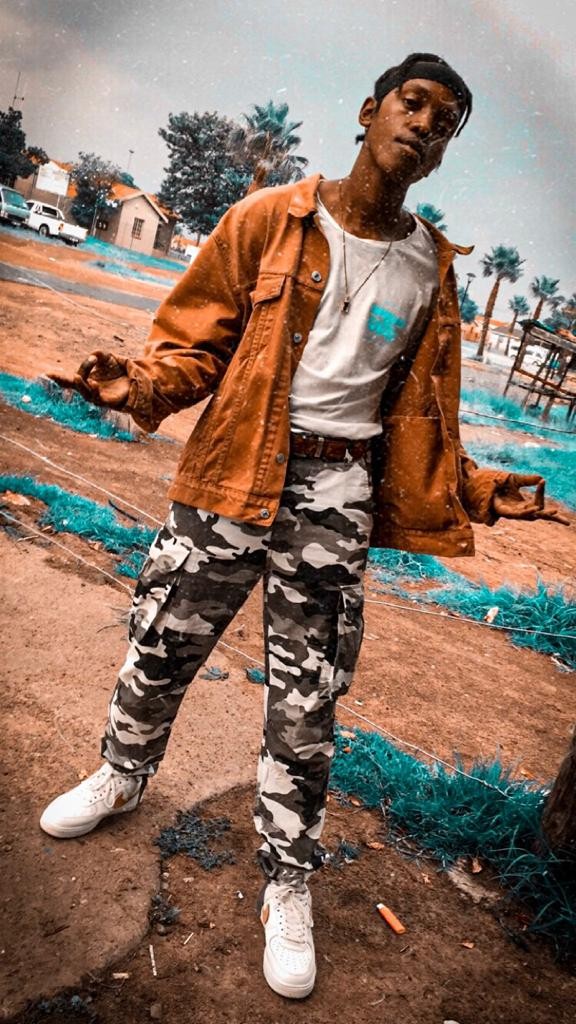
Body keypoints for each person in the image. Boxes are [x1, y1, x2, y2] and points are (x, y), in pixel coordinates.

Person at [40, 53, 564, 1000]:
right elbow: (193, 346)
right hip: (234, 466)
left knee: (307, 697)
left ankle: (287, 879)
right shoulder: (266, 220)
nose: (425, 126)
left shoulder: (431, 271)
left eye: (445, 123)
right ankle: (121, 773)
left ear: (444, 151)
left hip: (337, 495)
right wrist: (139, 383)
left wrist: (487, 491)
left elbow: (422, 422)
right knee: (163, 638)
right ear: (370, 110)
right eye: (414, 104)